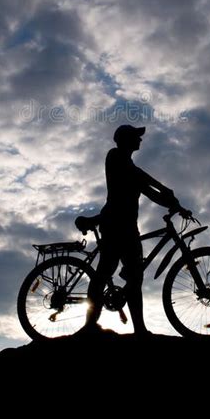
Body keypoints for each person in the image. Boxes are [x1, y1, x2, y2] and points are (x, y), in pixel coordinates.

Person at [84, 124, 185, 336]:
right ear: (126, 139)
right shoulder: (115, 157)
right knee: (106, 272)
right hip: (115, 225)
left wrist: (174, 205)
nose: (140, 140)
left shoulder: (129, 167)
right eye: (136, 137)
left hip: (128, 227)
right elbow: (141, 178)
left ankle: (139, 328)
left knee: (134, 277)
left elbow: (150, 193)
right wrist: (166, 190)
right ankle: (90, 325)